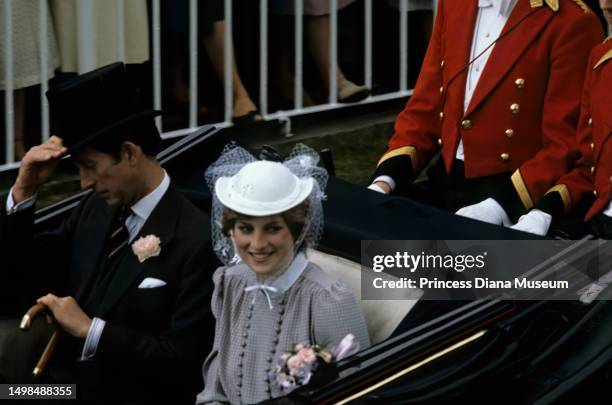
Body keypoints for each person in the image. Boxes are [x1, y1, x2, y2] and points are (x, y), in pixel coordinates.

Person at [0, 62, 215, 403]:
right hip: (59, 391)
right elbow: (17, 284)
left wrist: (91, 330)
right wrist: (24, 191)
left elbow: (183, 361)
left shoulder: (197, 238)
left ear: (130, 153)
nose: (84, 183)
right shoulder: (94, 210)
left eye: (90, 167)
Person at [369, 0, 603, 226]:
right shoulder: (454, 4)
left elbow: (563, 146)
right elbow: (426, 108)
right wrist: (386, 179)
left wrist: (499, 207)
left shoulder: (571, 21)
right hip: (444, 182)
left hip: (512, 197)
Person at [197, 145, 370, 404]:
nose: (257, 243)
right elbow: (215, 389)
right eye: (245, 228)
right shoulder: (230, 283)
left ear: (297, 229)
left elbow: (356, 395)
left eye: (272, 228)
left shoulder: (328, 299)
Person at [511, 3, 612, 237]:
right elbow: (589, 165)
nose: (606, 2)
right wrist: (544, 211)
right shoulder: (600, 60)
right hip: (599, 226)